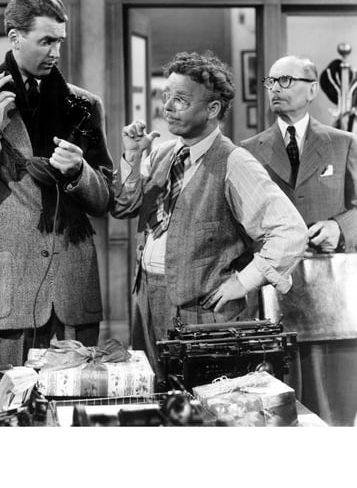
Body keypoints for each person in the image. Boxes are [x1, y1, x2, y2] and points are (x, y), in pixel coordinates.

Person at [111, 51, 307, 381]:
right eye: (166, 96)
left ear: (213, 109)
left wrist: (243, 282)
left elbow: (290, 232)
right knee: (156, 394)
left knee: (202, 400)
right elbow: (123, 207)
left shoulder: (235, 162)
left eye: (181, 100)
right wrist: (132, 156)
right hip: (148, 300)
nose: (167, 107)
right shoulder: (162, 154)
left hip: (204, 315)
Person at [0, 0, 114, 367]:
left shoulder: (85, 105)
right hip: (11, 290)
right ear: (15, 37)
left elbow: (104, 200)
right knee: (10, 399)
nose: (56, 52)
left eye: (60, 42)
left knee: (76, 398)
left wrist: (80, 171)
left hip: (74, 287)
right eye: (46, 41)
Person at [241, 54, 357, 424]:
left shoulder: (344, 143)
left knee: (334, 404)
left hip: (330, 296)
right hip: (273, 292)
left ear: (311, 90)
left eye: (286, 80)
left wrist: (340, 228)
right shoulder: (248, 150)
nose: (275, 88)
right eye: (271, 81)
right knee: (280, 404)